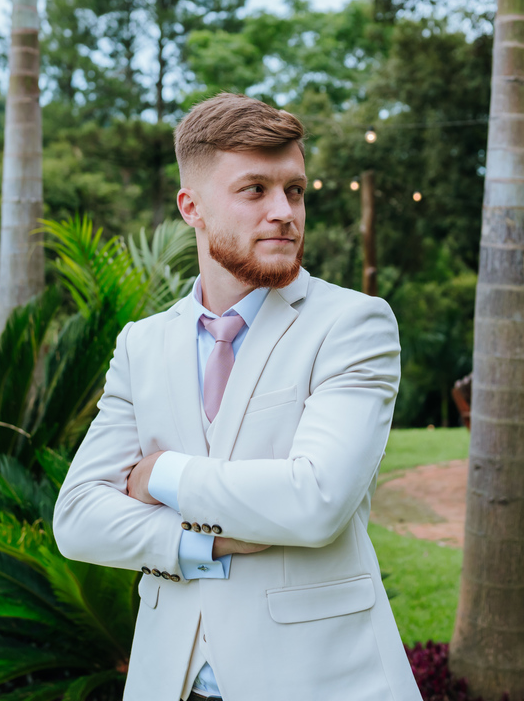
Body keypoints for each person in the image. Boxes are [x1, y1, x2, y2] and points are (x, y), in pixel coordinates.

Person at [53, 93, 422, 701]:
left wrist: (160, 473)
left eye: (295, 190)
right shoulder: (142, 344)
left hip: (318, 684)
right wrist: (204, 546)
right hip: (169, 684)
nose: (284, 212)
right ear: (191, 207)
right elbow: (78, 518)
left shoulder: (353, 324)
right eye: (255, 190)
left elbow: (316, 500)